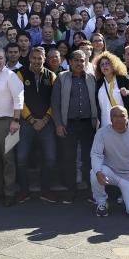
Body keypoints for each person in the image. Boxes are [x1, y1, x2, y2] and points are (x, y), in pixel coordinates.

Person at [51, 48, 99, 202]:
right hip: (68, 125)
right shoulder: (62, 78)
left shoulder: (92, 78)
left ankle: (91, 192)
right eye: (76, 60)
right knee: (69, 159)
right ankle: (71, 192)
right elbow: (55, 104)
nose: (80, 63)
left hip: (88, 124)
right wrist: (58, 124)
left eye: (82, 60)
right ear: (70, 62)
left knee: (89, 159)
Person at [90, 106, 129, 217]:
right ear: (110, 118)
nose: (119, 119)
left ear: (127, 117)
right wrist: (98, 172)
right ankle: (101, 203)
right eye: (115, 116)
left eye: (122, 116)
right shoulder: (102, 133)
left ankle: (125, 195)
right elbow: (96, 154)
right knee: (94, 172)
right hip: (109, 173)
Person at [15, 46, 58, 203]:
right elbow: (19, 99)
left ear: (44, 59)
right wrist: (31, 119)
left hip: (47, 124)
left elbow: (55, 100)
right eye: (33, 58)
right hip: (26, 123)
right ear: (29, 59)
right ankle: (24, 190)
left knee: (51, 157)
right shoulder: (20, 74)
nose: (36, 61)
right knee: (20, 158)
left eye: (40, 58)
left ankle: (45, 190)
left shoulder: (51, 75)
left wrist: (46, 119)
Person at [0, 48, 24, 206]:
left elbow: (19, 98)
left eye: (0, 57)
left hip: (8, 122)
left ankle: (10, 193)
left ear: (5, 58)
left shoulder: (10, 75)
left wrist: (16, 120)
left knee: (9, 159)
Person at [93, 51, 129, 127]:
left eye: (107, 63)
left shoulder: (122, 78)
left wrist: (127, 92)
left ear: (114, 64)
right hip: (104, 123)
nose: (105, 66)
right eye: (102, 64)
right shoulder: (99, 82)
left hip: (122, 122)